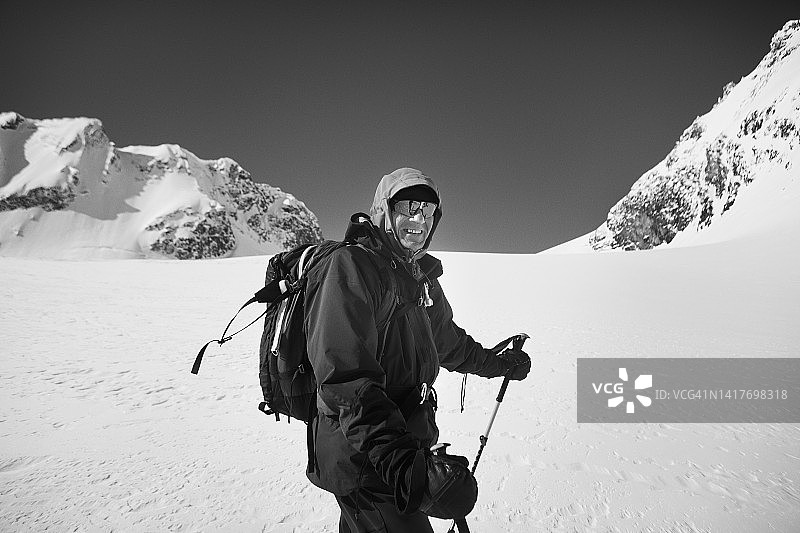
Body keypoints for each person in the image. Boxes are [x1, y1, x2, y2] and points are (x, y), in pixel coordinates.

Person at [303, 167, 531, 532]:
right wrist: (403, 464)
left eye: (427, 212)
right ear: (384, 211)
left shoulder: (419, 278)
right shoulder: (352, 268)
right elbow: (345, 376)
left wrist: (498, 364)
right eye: (408, 207)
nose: (418, 219)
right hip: (366, 456)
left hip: (398, 445)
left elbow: (448, 343)